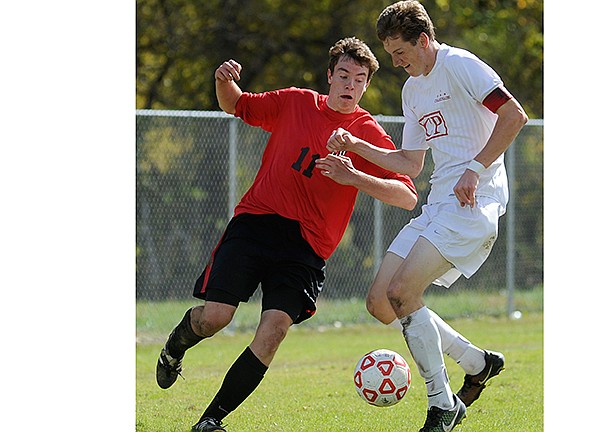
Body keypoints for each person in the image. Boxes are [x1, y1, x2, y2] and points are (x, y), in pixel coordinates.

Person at [155, 37, 418, 432]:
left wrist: (354, 176)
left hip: (306, 249)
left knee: (273, 331)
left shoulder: (366, 133)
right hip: (257, 224)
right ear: (330, 76)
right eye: (343, 75)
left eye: (359, 79)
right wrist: (224, 80)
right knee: (215, 318)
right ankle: (175, 346)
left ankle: (211, 420)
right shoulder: (296, 102)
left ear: (366, 86)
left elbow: (407, 196)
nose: (350, 84)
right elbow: (236, 104)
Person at [326, 2, 528, 431]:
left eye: (400, 53)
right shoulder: (412, 90)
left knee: (402, 293)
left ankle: (442, 403)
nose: (396, 63)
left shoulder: (461, 65)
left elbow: (514, 116)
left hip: (476, 201)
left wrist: (475, 169)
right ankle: (478, 362)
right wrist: (357, 151)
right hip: (440, 203)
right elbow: (411, 163)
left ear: (423, 40)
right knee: (382, 302)